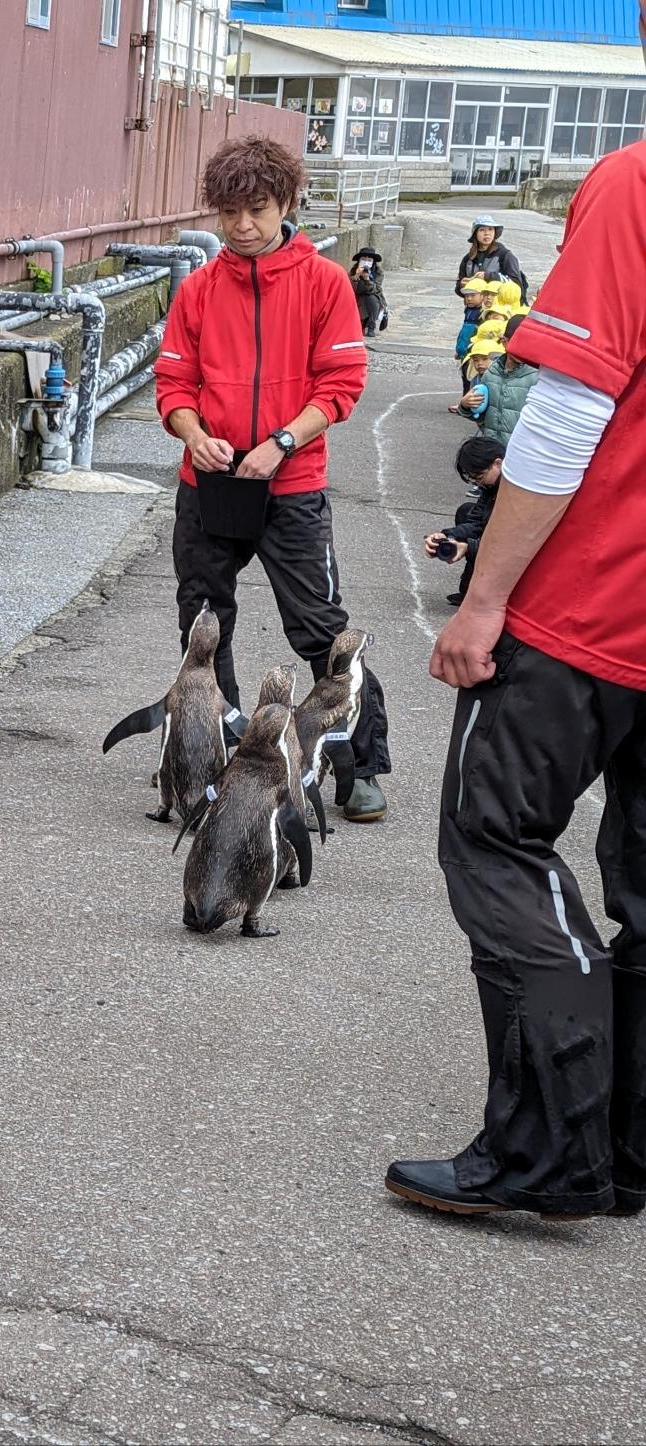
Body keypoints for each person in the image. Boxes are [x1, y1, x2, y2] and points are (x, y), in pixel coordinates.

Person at [385, 22, 646, 1225]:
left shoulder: (634, 182)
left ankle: (551, 1150)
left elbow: (563, 415)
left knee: (498, 850)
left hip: (596, 608)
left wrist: (483, 597)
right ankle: (631, 1152)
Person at [155, 135, 392, 822]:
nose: (242, 227)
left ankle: (359, 765)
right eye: (229, 213)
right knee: (204, 621)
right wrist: (194, 434)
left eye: (257, 209)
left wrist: (282, 442)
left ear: (286, 203)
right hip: (211, 484)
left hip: (291, 485)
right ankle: (219, 753)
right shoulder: (199, 289)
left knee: (322, 631)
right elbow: (173, 380)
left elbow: (343, 382)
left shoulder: (324, 283)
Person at [422, 435, 503, 606]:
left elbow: (510, 540)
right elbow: (476, 522)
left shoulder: (517, 492)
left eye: (479, 475)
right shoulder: (491, 486)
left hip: (517, 549)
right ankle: (469, 589)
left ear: (498, 463)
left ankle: (484, 593)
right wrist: (446, 536)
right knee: (466, 511)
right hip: (497, 539)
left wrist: (469, 547)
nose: (476, 482)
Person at [462, 314, 538, 446]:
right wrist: (466, 405)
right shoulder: (491, 373)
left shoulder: (537, 378)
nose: (523, 350)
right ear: (504, 341)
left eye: (528, 345)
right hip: (492, 450)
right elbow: (481, 416)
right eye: (518, 343)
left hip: (520, 452)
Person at [454, 214, 528, 302]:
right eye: (482, 230)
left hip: (498, 310)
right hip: (474, 309)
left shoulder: (505, 255)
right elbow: (459, 289)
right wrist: (461, 285)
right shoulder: (468, 259)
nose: (487, 233)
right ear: (475, 234)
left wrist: (488, 276)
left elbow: (516, 283)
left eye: (490, 229)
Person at [348, 247, 388, 337]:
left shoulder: (378, 272)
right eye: (363, 259)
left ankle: (371, 326)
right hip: (358, 295)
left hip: (373, 296)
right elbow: (350, 287)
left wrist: (367, 279)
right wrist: (356, 277)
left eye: (369, 260)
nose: (366, 262)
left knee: (372, 298)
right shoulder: (353, 270)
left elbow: (376, 289)